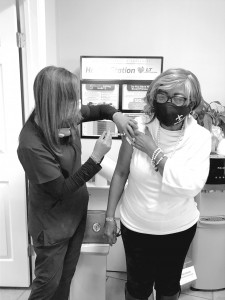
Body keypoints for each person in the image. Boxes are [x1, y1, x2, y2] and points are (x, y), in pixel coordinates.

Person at [17, 65, 137, 300]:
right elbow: (60, 190)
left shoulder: (65, 115)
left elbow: (100, 108)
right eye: (72, 97)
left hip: (75, 217)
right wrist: (96, 157)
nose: (78, 104)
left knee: (65, 279)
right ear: (56, 101)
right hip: (51, 226)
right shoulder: (31, 144)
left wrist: (116, 115)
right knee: (46, 286)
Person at [104, 68, 211, 300]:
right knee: (136, 288)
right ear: (154, 97)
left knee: (169, 287)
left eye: (179, 98)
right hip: (137, 227)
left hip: (178, 230)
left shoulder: (200, 138)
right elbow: (121, 173)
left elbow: (190, 186)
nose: (169, 103)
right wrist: (109, 217)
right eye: (163, 96)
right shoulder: (137, 128)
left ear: (191, 103)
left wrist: (153, 151)